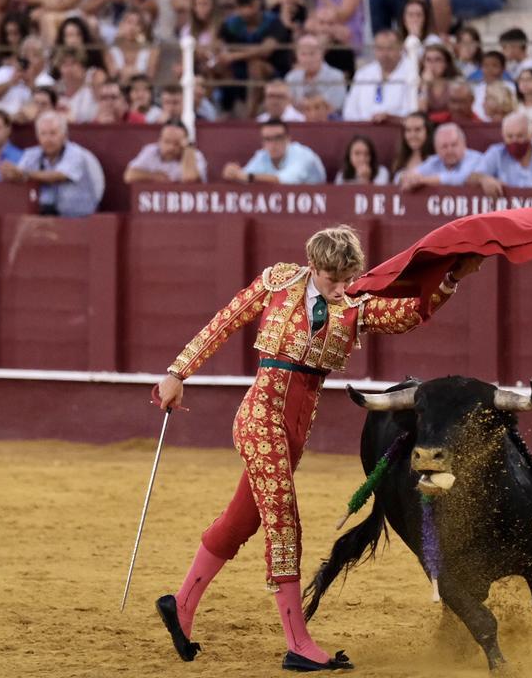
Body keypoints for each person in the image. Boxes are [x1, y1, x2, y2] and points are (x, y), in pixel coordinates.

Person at [154, 225, 482, 673]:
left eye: (348, 279)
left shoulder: (353, 306)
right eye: (333, 280)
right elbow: (225, 321)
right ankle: (297, 642)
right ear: (314, 266)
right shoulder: (278, 282)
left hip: (294, 430)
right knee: (284, 520)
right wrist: (178, 372)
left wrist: (448, 283)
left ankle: (181, 605)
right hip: (260, 417)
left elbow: (406, 315)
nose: (341, 288)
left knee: (239, 521)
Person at [2, 110, 103, 217]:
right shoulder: (31, 154)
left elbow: (57, 175)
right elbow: (19, 176)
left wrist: (24, 174)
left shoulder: (76, 153)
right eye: (43, 134)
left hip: (79, 218)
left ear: (64, 135)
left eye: (53, 133)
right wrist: (10, 174)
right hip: (42, 216)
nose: (48, 139)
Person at [342, 28, 417, 123]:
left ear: (400, 48)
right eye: (380, 49)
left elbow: (412, 112)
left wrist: (390, 118)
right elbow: (349, 111)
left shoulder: (411, 72)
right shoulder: (363, 74)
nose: (385, 54)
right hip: (364, 130)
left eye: (390, 48)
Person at [221, 118, 325, 184]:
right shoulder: (262, 155)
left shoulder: (302, 155)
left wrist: (245, 176)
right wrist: (232, 173)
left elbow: (284, 181)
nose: (273, 144)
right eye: (267, 139)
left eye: (278, 138)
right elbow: (244, 177)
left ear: (288, 139)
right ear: (262, 142)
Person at [397, 121, 481, 189]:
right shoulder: (435, 161)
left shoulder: (475, 158)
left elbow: (461, 178)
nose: (449, 150)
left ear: (464, 144)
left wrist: (422, 181)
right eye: (444, 146)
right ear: (436, 149)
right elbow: (403, 176)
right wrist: (406, 178)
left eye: (454, 145)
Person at [123, 120, 207, 183]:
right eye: (167, 142)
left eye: (176, 143)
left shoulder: (195, 155)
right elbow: (129, 176)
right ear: (159, 140)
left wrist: (188, 149)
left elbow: (190, 179)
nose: (171, 147)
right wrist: (153, 176)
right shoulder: (151, 151)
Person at [285, 34, 347, 114]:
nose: (308, 59)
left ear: (321, 54)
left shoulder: (336, 77)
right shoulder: (291, 77)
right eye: (303, 54)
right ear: (297, 56)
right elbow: (287, 106)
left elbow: (335, 105)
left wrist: (307, 105)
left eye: (312, 53)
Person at [389, 111, 434, 177]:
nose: (412, 135)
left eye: (417, 130)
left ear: (428, 132)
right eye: (408, 130)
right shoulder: (399, 160)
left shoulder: (435, 160)